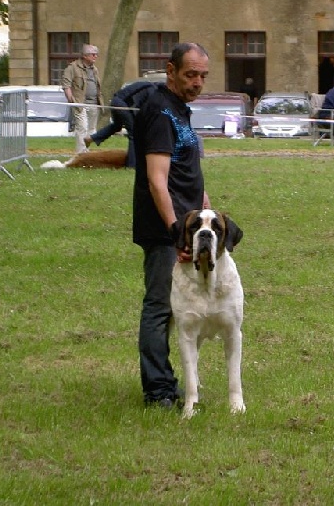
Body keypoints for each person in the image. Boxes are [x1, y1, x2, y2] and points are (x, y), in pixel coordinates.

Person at [132, 42, 212, 409]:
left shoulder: (179, 108)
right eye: (190, 74)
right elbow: (157, 179)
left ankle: (168, 383)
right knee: (160, 306)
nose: (197, 82)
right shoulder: (160, 111)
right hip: (166, 228)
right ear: (170, 71)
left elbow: (182, 165)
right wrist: (175, 231)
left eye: (203, 76)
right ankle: (158, 391)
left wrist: (202, 197)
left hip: (187, 223)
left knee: (174, 305)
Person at [85, 81, 162, 169]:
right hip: (121, 104)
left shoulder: (149, 87)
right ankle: (132, 165)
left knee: (116, 126)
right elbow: (144, 109)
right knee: (134, 134)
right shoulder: (152, 90)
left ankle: (91, 138)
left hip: (116, 101)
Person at [61, 44, 103, 153]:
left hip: (94, 103)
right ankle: (80, 154)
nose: (95, 56)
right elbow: (66, 84)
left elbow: (97, 85)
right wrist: (71, 100)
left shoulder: (94, 69)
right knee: (82, 128)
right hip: (80, 104)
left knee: (92, 130)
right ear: (85, 56)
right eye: (93, 54)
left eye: (96, 54)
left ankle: (86, 151)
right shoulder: (72, 67)